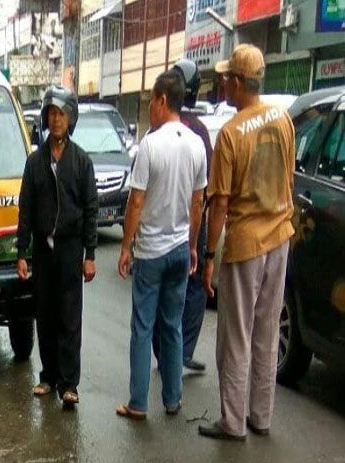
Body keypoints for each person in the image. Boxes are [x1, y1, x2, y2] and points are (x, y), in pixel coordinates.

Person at [199, 44, 295, 441]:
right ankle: (261, 416)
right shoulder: (284, 119)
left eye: (227, 80)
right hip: (280, 237)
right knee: (267, 331)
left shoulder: (232, 134)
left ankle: (233, 422)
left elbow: (220, 204)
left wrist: (208, 256)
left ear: (238, 82)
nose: (224, 85)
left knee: (235, 337)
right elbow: (289, 178)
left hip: (245, 244)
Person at [115, 70, 207, 421]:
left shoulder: (151, 146)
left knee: (142, 326)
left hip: (151, 251)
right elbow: (198, 203)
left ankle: (138, 402)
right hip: (180, 247)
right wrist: (193, 245)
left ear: (162, 100)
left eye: (151, 101)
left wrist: (126, 247)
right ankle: (172, 397)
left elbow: (135, 203)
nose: (150, 108)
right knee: (171, 324)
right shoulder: (196, 143)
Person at [16, 85, 98, 407]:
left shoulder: (80, 161)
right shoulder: (35, 162)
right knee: (45, 315)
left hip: (69, 249)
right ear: (46, 119)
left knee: (69, 317)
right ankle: (47, 377)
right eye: (52, 113)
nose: (56, 118)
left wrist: (90, 255)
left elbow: (91, 208)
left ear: (70, 118)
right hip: (42, 252)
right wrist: (22, 252)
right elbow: (25, 209)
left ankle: (69, 384)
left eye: (61, 113)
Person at [151, 59, 214, 372]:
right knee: (192, 289)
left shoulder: (155, 128)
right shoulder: (200, 132)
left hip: (159, 224)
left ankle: (164, 350)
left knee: (159, 291)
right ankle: (181, 351)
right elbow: (203, 193)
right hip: (188, 224)